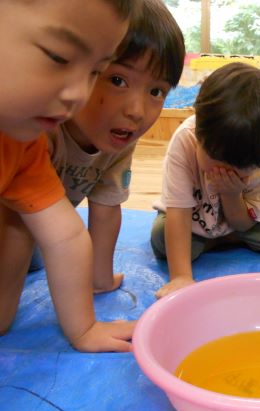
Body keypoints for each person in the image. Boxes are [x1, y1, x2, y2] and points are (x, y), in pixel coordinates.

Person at [0, 0, 138, 352]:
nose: (80, 93)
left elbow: (66, 237)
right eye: (58, 56)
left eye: (95, 71)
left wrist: (84, 329)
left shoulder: (22, 143)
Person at [22, 0, 185, 295]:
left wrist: (100, 278)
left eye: (156, 91)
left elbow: (107, 207)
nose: (137, 111)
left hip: (37, 229)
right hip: (13, 220)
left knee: (35, 256)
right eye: (118, 80)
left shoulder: (118, 139)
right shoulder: (41, 126)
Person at [150, 62, 260, 299]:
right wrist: (181, 278)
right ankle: (222, 240)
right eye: (216, 158)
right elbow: (178, 211)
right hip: (194, 217)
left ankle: (218, 240)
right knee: (161, 240)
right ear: (199, 132)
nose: (225, 171)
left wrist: (231, 194)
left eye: (241, 168)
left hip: (242, 221)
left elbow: (243, 224)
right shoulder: (185, 141)